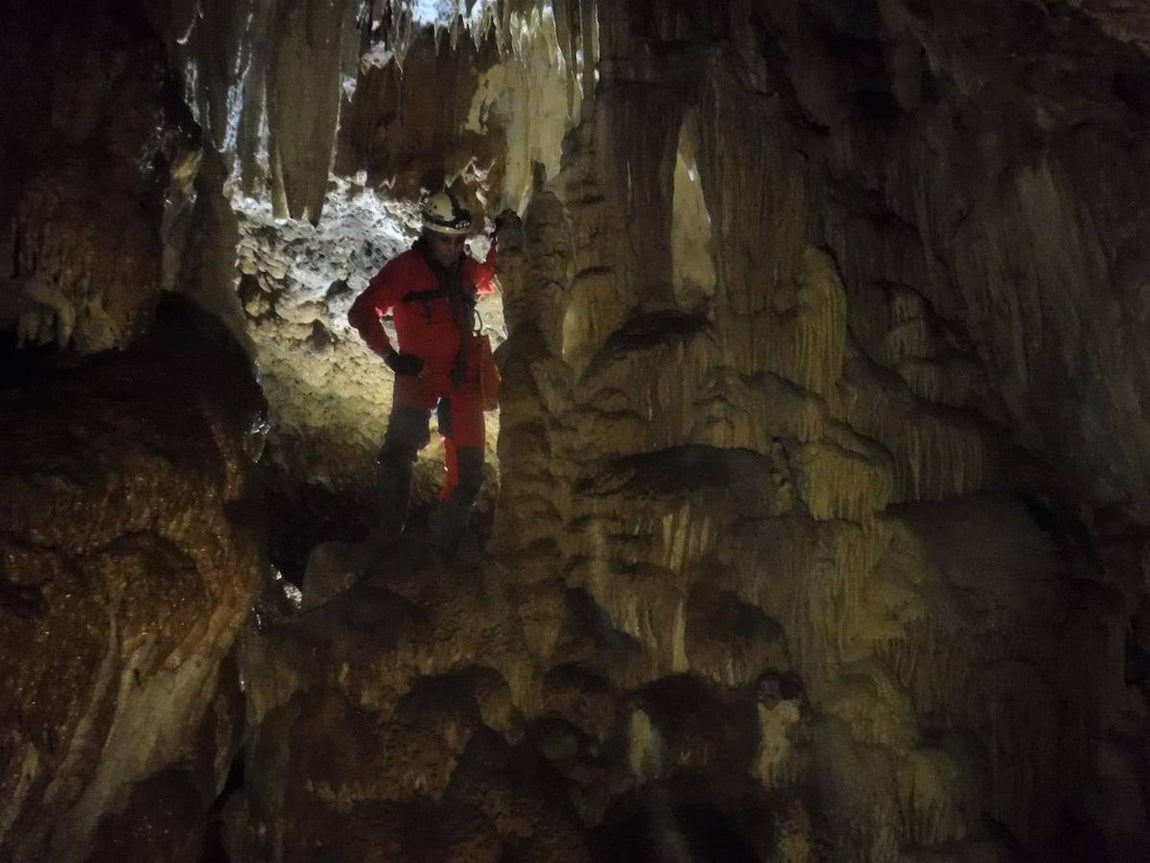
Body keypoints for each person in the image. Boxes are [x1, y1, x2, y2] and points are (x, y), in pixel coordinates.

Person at [348, 190, 499, 556]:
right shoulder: (405, 271)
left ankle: (444, 548)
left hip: (463, 378)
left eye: (460, 240)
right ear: (429, 234)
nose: (453, 247)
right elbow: (362, 312)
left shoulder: (466, 269)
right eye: (446, 240)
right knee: (398, 453)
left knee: (470, 472)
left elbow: (490, 279)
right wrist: (391, 358)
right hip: (419, 376)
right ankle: (389, 539)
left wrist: (501, 242)